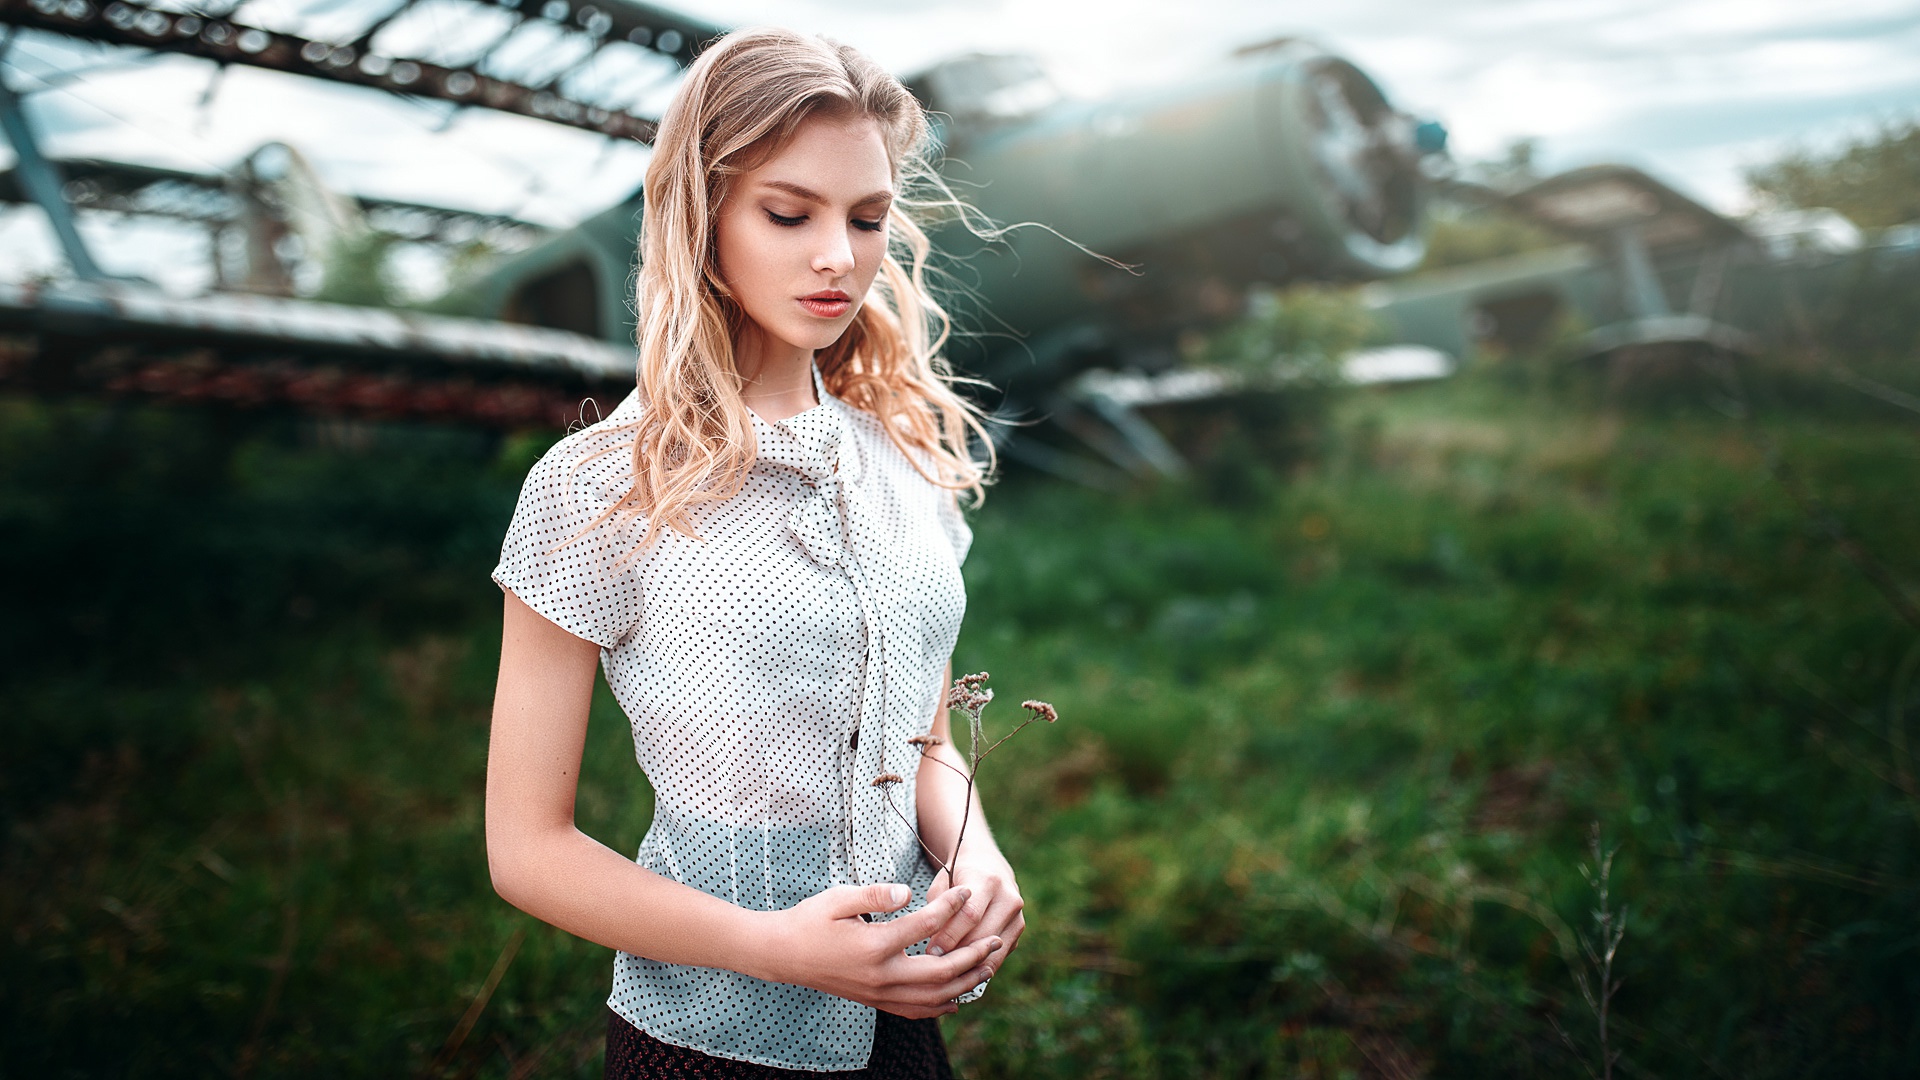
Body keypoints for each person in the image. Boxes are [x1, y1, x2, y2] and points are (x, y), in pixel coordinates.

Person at [484, 26, 1024, 1079]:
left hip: (902, 1020)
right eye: (789, 213)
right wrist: (775, 950)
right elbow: (526, 849)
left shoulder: (903, 464)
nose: (839, 257)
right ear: (705, 217)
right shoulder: (594, 488)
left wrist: (976, 851)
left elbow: (924, 741)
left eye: (868, 219)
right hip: (707, 1045)